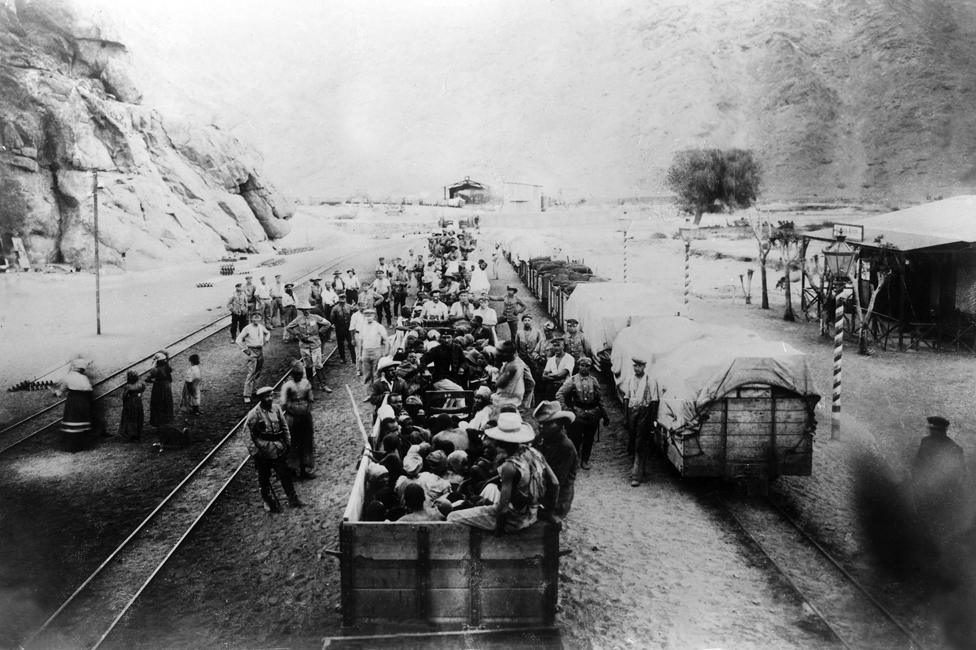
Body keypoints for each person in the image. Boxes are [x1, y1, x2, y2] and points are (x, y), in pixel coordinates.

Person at [447, 411, 556, 533]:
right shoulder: (535, 452)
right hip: (533, 513)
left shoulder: (509, 466)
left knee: (453, 517)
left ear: (498, 440)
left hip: (515, 520)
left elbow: (503, 508)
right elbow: (555, 483)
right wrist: (549, 512)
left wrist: (499, 532)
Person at [246, 386, 303, 513]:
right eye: (267, 396)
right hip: (263, 452)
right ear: (261, 398)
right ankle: (268, 502)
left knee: (285, 475)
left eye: (271, 395)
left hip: (278, 449)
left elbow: (284, 426)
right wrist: (255, 452)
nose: (270, 398)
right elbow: (247, 435)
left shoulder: (276, 408)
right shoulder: (254, 414)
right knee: (264, 479)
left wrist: (288, 443)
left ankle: (293, 499)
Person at [911, 415, 967, 536]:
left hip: (944, 492)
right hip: (925, 488)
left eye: (934, 430)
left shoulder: (954, 449)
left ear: (943, 431)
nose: (931, 432)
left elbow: (961, 473)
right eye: (931, 429)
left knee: (938, 523)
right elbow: (917, 463)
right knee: (923, 521)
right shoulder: (925, 441)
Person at [556, 357, 608, 470]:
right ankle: (574, 460)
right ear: (578, 366)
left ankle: (585, 460)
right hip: (578, 413)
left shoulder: (594, 380)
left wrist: (605, 415)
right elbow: (559, 394)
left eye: (587, 366)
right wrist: (566, 409)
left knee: (589, 438)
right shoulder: (572, 380)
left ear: (590, 367)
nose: (584, 368)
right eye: (582, 365)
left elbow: (600, 399)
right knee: (575, 438)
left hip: (592, 414)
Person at [533, 400, 578, 521]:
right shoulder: (542, 438)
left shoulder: (565, 447)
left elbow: (556, 482)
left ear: (560, 424)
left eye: (548, 423)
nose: (542, 426)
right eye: (541, 423)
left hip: (557, 499)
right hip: (542, 489)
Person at [623, 357, 661, 487]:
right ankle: (642, 469)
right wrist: (626, 417)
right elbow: (626, 398)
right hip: (632, 412)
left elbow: (654, 400)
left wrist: (653, 419)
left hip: (645, 413)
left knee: (640, 442)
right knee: (634, 440)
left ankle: (635, 475)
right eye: (635, 366)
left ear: (644, 367)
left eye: (639, 366)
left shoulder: (650, 380)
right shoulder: (630, 380)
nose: (636, 368)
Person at [286, 300, 333, 393]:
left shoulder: (315, 317)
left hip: (315, 344)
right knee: (308, 365)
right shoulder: (298, 319)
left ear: (310, 309)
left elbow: (327, 323)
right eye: (304, 309)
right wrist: (298, 335)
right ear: (301, 310)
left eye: (307, 309)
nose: (306, 311)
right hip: (304, 345)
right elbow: (288, 327)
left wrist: (320, 332)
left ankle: (323, 385)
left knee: (318, 364)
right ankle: (310, 385)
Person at [281, 364, 317, 480]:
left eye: (300, 374)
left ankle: (304, 469)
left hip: (305, 417)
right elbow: (284, 403)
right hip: (292, 419)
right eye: (296, 374)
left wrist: (307, 409)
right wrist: (293, 411)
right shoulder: (287, 386)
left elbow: (310, 399)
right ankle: (292, 469)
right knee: (293, 443)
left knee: (306, 442)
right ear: (292, 374)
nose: (299, 376)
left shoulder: (306, 383)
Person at [55, 358, 94, 451]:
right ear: (81, 369)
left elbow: (60, 392)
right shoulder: (84, 378)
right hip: (84, 401)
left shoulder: (68, 376)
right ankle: (82, 445)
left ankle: (71, 446)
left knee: (72, 422)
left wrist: (56, 392)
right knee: (81, 421)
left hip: (73, 401)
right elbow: (89, 389)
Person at [236, 312, 271, 404]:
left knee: (258, 372)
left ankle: (255, 391)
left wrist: (266, 339)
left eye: (258, 318)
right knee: (251, 373)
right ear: (251, 319)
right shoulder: (247, 328)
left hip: (260, 350)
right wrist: (245, 350)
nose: (256, 320)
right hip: (252, 351)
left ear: (260, 319)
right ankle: (246, 395)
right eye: (254, 318)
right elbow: (238, 340)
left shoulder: (261, 327)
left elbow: (267, 333)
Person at [493, 340, 535, 414]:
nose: (500, 354)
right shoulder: (507, 362)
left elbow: (531, 383)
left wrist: (524, 403)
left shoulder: (518, 365)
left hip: (513, 405)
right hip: (502, 402)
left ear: (511, 353)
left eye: (503, 352)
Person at [358, 307, 390, 386]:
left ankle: (375, 393)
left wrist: (386, 353)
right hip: (365, 352)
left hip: (376, 351)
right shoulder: (362, 327)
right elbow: (361, 341)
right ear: (364, 316)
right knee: (367, 375)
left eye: (370, 315)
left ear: (374, 316)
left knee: (376, 374)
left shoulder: (379, 326)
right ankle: (368, 393)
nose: (368, 317)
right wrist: (360, 354)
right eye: (366, 315)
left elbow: (386, 340)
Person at [538, 337, 574, 402]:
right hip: (551, 388)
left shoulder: (569, 358)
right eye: (554, 346)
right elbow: (543, 376)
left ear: (563, 346)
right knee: (551, 408)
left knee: (564, 409)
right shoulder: (551, 360)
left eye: (558, 345)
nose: (556, 348)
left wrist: (550, 375)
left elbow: (561, 375)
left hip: (564, 388)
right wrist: (556, 376)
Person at [146, 351, 174, 428]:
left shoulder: (155, 369)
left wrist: (153, 364)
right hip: (167, 386)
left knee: (158, 403)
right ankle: (167, 419)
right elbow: (170, 370)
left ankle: (158, 422)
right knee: (167, 402)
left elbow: (148, 379)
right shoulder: (167, 367)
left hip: (158, 387)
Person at [119, 369, 146, 442]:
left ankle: (130, 434)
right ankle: (137, 434)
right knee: (138, 416)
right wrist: (139, 394)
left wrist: (124, 402)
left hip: (130, 402)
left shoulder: (128, 386)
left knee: (130, 418)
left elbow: (124, 395)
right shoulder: (140, 384)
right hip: (138, 401)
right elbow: (143, 388)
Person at [330, 299, 356, 365]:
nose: (342, 300)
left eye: (344, 298)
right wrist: (334, 324)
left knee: (351, 343)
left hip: (348, 328)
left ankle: (354, 358)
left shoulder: (349, 306)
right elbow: (332, 318)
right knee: (340, 344)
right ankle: (342, 358)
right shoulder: (335, 308)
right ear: (339, 299)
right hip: (339, 329)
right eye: (341, 298)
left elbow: (355, 312)